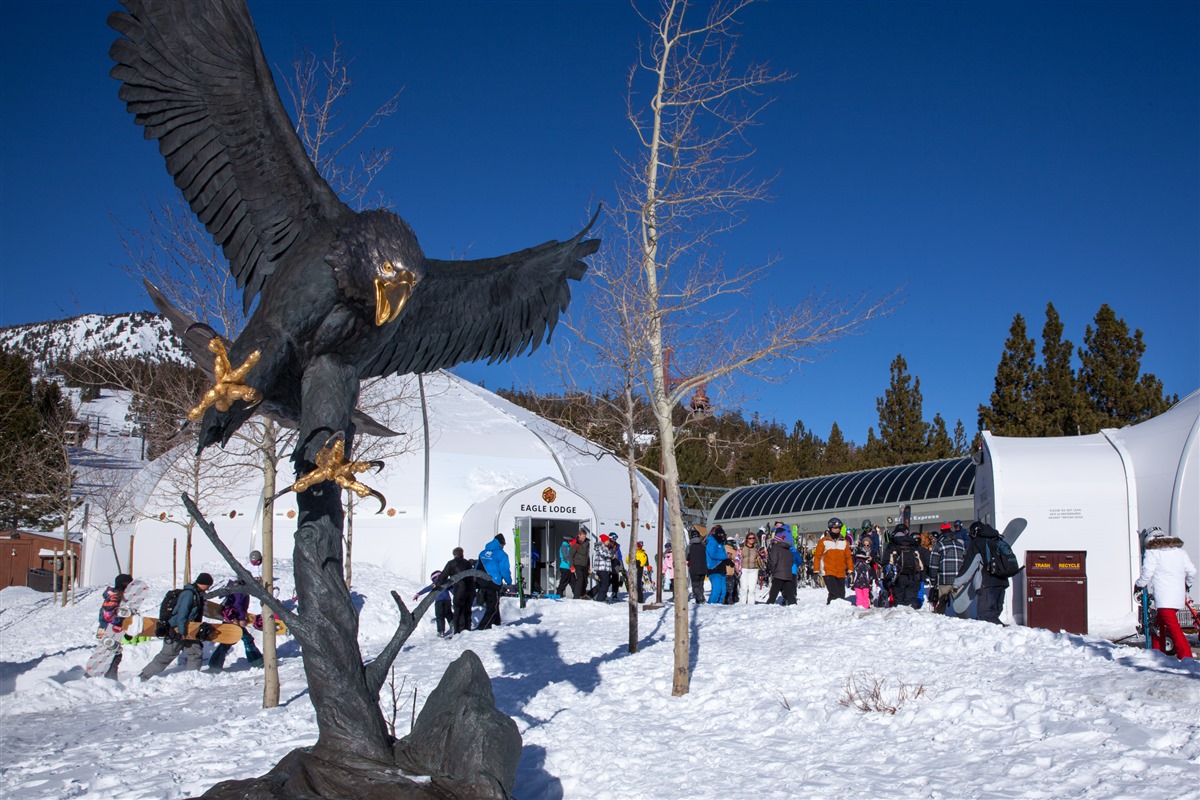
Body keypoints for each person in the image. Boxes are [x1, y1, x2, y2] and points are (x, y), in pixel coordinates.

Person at [1136, 527, 1196, 659]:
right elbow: (1192, 571)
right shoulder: (1180, 551)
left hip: (1164, 597)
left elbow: (1147, 574)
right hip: (1177, 597)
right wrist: (1187, 584)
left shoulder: (1153, 552)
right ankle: (1157, 652)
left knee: (1174, 628)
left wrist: (1138, 584)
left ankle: (1186, 656)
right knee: (1158, 624)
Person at [141, 572, 213, 679]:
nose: (208, 588)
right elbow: (181, 615)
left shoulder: (196, 594)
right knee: (167, 655)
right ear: (203, 583)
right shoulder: (189, 594)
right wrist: (181, 632)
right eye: (208, 585)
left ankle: (192, 677)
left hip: (189, 629)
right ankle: (144, 676)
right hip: (177, 629)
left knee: (195, 652)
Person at [953, 521, 1008, 624]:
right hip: (1002, 582)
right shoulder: (998, 539)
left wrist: (957, 583)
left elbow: (969, 566)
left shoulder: (978, 543)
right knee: (994, 615)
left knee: (986, 619)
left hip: (986, 584)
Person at [208, 580, 263, 671]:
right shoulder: (240, 590)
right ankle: (257, 662)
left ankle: (214, 665)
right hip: (235, 619)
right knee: (247, 640)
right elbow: (237, 605)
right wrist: (241, 619)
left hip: (231, 618)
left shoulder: (237, 588)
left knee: (227, 642)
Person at [96, 573, 134, 679]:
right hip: (107, 628)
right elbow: (108, 615)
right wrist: (121, 622)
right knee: (113, 655)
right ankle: (110, 680)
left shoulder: (116, 595)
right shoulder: (115, 596)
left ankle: (105, 678)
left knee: (107, 654)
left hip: (104, 628)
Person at [929, 523, 966, 617]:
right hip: (959, 580)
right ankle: (965, 622)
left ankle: (940, 624)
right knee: (961, 606)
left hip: (944, 579)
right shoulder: (959, 545)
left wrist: (933, 580)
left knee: (941, 605)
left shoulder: (938, 545)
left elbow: (933, 565)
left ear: (941, 531)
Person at [814, 517, 853, 604]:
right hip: (828, 571)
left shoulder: (844, 541)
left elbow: (848, 557)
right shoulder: (823, 541)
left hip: (840, 571)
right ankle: (831, 610)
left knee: (841, 594)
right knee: (834, 593)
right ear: (830, 528)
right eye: (834, 528)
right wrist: (816, 571)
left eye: (838, 528)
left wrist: (850, 569)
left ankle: (839, 613)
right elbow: (817, 557)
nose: (836, 530)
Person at [477, 534, 512, 629]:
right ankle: (482, 627)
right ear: (501, 544)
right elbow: (504, 570)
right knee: (492, 607)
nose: (503, 547)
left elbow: (477, 567)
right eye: (503, 545)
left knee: (493, 604)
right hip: (494, 582)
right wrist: (509, 582)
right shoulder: (502, 554)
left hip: (482, 582)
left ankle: (497, 624)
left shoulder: (482, 553)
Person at [887, 525, 926, 609]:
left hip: (898, 576)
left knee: (898, 604)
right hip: (913, 576)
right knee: (910, 604)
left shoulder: (892, 544)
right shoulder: (913, 544)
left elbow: (886, 562)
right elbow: (922, 560)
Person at [440, 547, 475, 634]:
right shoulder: (468, 563)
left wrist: (439, 585)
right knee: (467, 610)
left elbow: (443, 576)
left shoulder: (451, 563)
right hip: (470, 589)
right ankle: (467, 629)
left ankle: (458, 631)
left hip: (459, 590)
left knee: (458, 610)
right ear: (462, 554)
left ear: (454, 555)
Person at [413, 570, 454, 637]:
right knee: (449, 614)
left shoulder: (435, 583)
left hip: (439, 601)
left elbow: (427, 588)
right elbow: (452, 590)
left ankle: (441, 631)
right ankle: (453, 626)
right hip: (447, 601)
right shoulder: (445, 582)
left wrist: (418, 593)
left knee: (439, 616)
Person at [765, 528, 797, 605]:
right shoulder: (788, 549)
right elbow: (791, 561)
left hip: (778, 573)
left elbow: (774, 560)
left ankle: (769, 605)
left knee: (773, 592)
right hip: (787, 573)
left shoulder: (775, 547)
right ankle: (793, 604)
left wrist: (773, 570)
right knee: (789, 592)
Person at [740, 530, 763, 605]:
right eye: (750, 538)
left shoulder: (757, 548)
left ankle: (751, 605)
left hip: (754, 570)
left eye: (753, 538)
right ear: (747, 539)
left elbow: (762, 558)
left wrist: (762, 568)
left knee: (752, 589)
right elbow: (738, 558)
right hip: (744, 569)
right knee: (744, 589)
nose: (752, 540)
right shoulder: (741, 548)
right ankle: (742, 604)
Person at [568, 528, 592, 600]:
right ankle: (576, 596)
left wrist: (589, 566)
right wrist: (571, 566)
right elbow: (571, 555)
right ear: (579, 535)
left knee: (585, 580)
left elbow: (587, 555)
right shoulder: (575, 543)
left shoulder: (587, 543)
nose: (584, 537)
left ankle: (583, 594)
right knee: (580, 579)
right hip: (577, 563)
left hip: (585, 564)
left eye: (585, 535)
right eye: (583, 536)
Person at [687, 529, 708, 603]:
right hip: (703, 568)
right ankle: (699, 600)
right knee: (700, 585)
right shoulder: (703, 546)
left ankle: (700, 598)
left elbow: (687, 557)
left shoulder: (690, 546)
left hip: (694, 569)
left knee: (695, 585)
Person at [591, 534, 613, 601]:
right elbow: (604, 554)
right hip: (602, 569)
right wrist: (611, 555)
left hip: (605, 569)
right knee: (605, 584)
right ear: (604, 540)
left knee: (603, 584)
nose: (609, 541)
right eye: (608, 540)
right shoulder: (601, 547)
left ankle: (593, 595)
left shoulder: (605, 547)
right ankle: (600, 599)